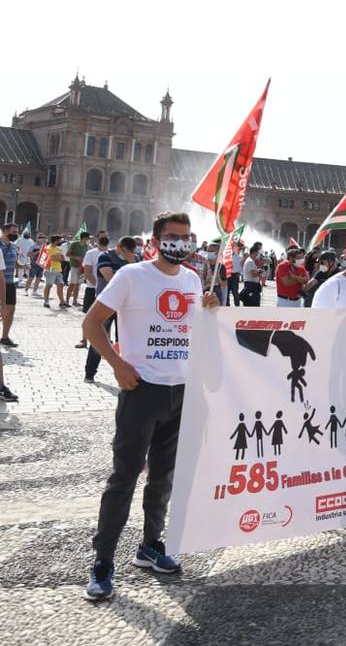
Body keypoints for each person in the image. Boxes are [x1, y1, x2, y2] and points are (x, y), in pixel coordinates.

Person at [81, 212, 221, 602]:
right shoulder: (132, 276)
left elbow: (194, 330)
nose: (181, 243)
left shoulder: (194, 279)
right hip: (141, 390)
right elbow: (92, 324)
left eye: (186, 237)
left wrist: (208, 309)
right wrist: (118, 364)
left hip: (181, 390)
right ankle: (103, 562)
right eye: (173, 237)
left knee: (163, 478)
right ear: (157, 241)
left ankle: (150, 545)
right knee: (123, 478)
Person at [87, 237, 138, 383]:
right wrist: (130, 264)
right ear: (119, 248)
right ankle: (90, 372)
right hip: (106, 304)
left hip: (126, 307)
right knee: (99, 338)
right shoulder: (105, 256)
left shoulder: (135, 258)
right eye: (128, 252)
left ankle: (126, 373)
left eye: (133, 252)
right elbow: (111, 279)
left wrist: (132, 261)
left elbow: (139, 279)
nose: (131, 254)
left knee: (125, 341)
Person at [75, 235, 109, 349]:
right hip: (92, 288)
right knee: (88, 316)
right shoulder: (91, 253)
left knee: (106, 318)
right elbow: (88, 272)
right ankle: (84, 340)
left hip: (106, 291)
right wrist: (97, 286)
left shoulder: (110, 254)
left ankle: (105, 341)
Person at [0, 227, 16, 401]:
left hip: (10, 283)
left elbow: (1, 278)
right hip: (5, 285)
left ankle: (1, 386)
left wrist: (2, 304)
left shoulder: (11, 247)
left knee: (11, 311)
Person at [1, 222, 20, 348]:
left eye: (16, 232)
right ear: (4, 231)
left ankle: (5, 337)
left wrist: (22, 266)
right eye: (13, 232)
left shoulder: (14, 247)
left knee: (10, 310)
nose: (16, 234)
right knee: (2, 310)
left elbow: (14, 263)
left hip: (10, 283)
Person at [66, 229, 90, 308]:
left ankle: (75, 301)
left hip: (81, 268)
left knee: (78, 285)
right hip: (74, 266)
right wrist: (76, 257)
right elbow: (68, 254)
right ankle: (67, 300)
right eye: (87, 238)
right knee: (72, 284)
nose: (88, 240)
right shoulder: (74, 244)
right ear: (83, 238)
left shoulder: (86, 246)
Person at [43, 234, 67, 308]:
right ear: (56, 240)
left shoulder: (59, 248)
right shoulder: (48, 248)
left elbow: (62, 258)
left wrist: (58, 257)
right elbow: (52, 258)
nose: (61, 241)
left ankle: (62, 302)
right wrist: (58, 258)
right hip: (50, 270)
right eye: (59, 240)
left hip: (58, 270)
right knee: (49, 285)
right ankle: (46, 301)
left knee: (60, 285)